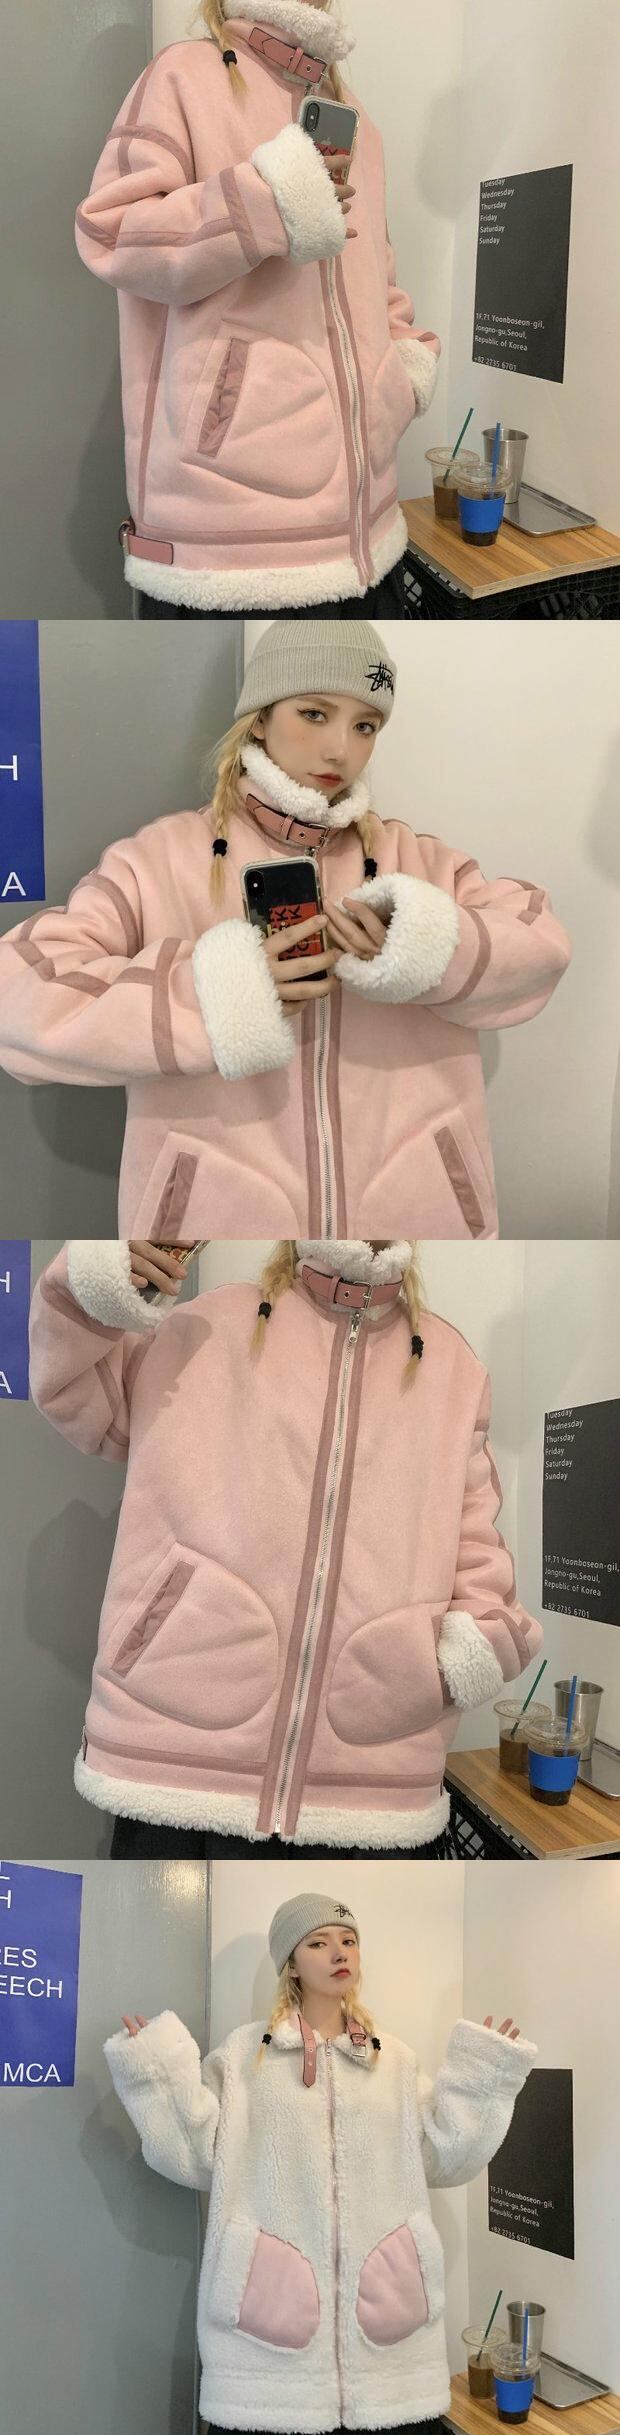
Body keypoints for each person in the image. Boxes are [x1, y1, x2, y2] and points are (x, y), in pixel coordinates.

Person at [0, 622, 571, 1240]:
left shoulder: (416, 863)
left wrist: (426, 943)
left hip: (416, 1218)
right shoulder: (157, 861)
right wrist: (221, 994)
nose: (340, 750)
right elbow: (18, 994)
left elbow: (541, 943)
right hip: (217, 1223)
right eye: (314, 713)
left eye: (365, 726)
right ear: (260, 718)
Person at [28, 1233, 543, 1858]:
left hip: (374, 1768)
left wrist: (476, 1646)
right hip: (173, 1748)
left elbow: (476, 1538)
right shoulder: (208, 1326)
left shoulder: (454, 1369)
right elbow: (81, 1397)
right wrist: (92, 1289)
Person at [104, 1888, 538, 2435]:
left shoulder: (392, 2060)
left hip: (389, 2344)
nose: (339, 1952)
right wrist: (156, 2073)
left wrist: (483, 2076)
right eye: (319, 1942)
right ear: (291, 1962)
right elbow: (194, 2152)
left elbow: (446, 2156)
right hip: (270, 2345)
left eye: (349, 1940)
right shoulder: (245, 2055)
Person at [75, 0, 441, 619]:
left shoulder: (356, 121)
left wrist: (403, 367)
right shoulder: (183, 76)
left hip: (372, 538)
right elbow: (111, 234)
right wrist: (266, 202)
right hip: (229, 551)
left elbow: (377, 276)